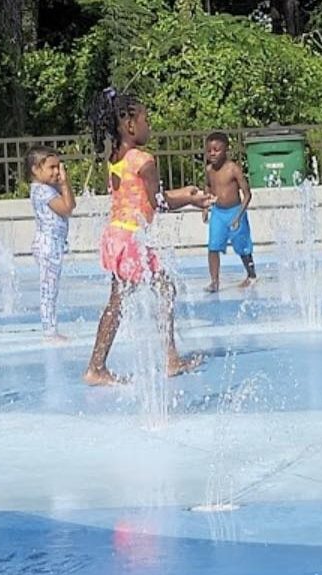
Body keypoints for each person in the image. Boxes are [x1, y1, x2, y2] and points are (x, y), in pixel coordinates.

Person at [83, 88, 211, 386]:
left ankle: (155, 358)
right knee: (130, 299)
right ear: (130, 125)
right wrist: (190, 199)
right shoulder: (143, 159)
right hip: (130, 240)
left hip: (117, 234)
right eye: (145, 120)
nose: (148, 126)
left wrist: (186, 193)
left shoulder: (116, 156)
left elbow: (144, 198)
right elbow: (158, 203)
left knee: (154, 289)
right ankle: (103, 366)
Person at [26, 145, 76, 342]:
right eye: (52, 168)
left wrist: (62, 185)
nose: (57, 172)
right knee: (48, 288)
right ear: (36, 170)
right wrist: (65, 185)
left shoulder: (47, 189)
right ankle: (49, 331)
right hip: (47, 244)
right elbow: (67, 207)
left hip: (53, 244)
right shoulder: (41, 191)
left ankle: (51, 328)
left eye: (59, 167)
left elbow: (70, 204)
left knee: (52, 287)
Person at [202, 131, 256, 293]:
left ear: (226, 150)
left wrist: (239, 216)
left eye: (217, 150)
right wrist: (205, 207)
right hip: (218, 212)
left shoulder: (233, 169)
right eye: (209, 150)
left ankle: (251, 275)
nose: (212, 153)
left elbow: (247, 194)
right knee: (213, 247)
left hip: (235, 211)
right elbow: (207, 187)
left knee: (243, 247)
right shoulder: (209, 169)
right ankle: (214, 281)